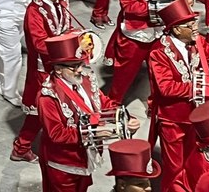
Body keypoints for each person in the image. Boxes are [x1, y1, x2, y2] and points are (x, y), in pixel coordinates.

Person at [148, 0, 209, 189]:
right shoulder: (158, 52)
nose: (196, 27)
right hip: (173, 121)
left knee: (193, 164)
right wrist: (203, 86)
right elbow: (166, 87)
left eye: (195, 21)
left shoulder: (199, 42)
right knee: (174, 170)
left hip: (198, 119)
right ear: (177, 29)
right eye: (190, 24)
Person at [37, 32, 139, 192]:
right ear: (58, 69)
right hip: (65, 163)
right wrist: (93, 132)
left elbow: (104, 103)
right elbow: (56, 133)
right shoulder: (48, 97)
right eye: (73, 66)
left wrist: (126, 118)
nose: (80, 69)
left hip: (86, 156)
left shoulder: (85, 79)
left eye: (80, 63)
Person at [11, 0, 72, 163]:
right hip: (42, 69)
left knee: (62, 107)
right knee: (38, 111)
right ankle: (21, 148)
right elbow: (39, 44)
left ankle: (59, 143)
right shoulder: (34, 11)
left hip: (62, 66)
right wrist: (68, 48)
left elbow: (67, 27)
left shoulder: (63, 1)